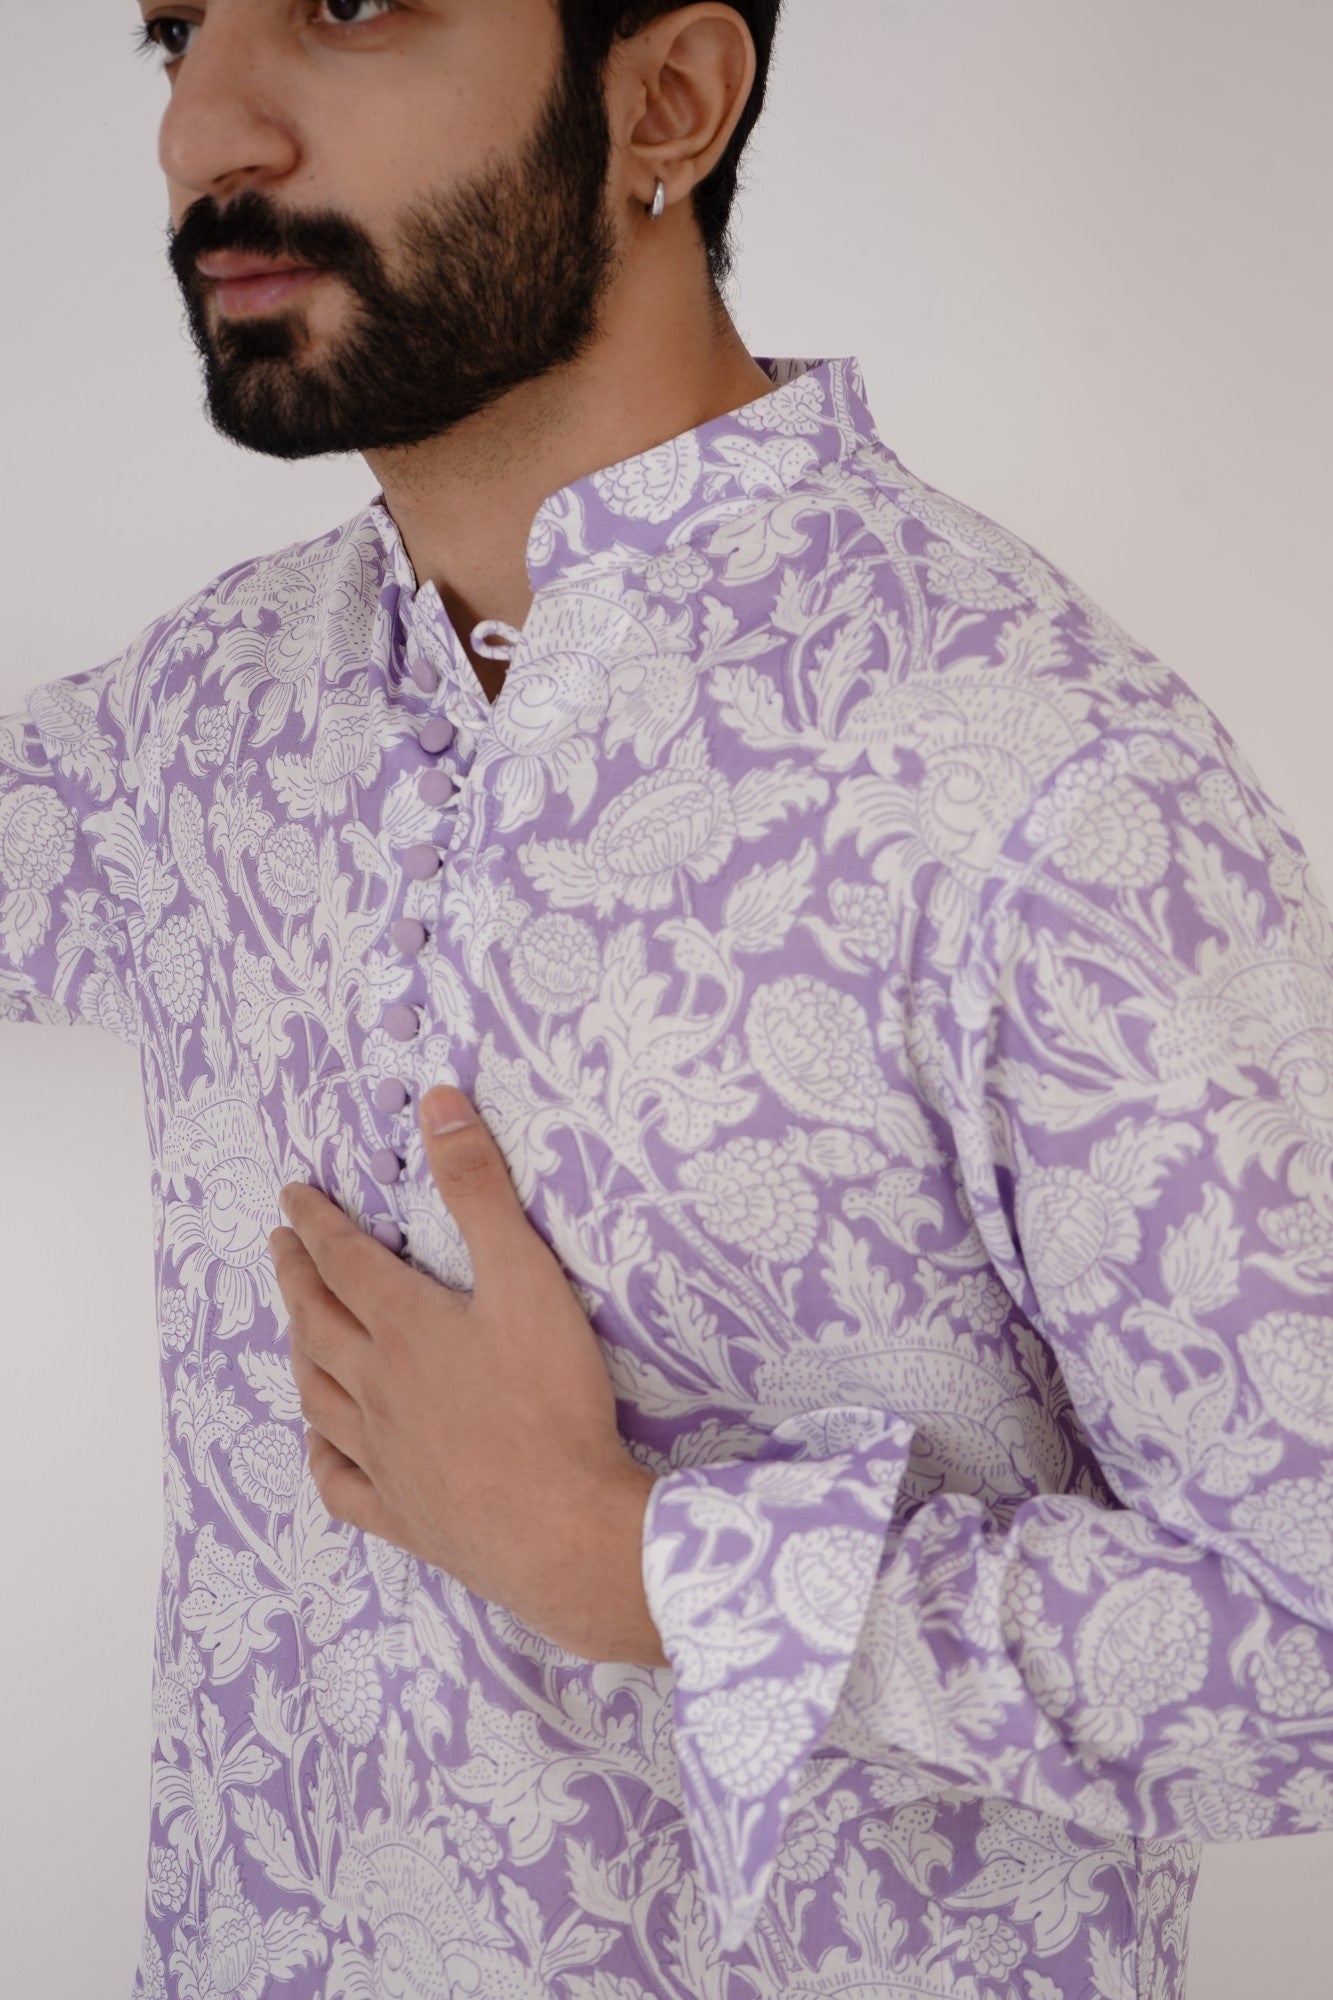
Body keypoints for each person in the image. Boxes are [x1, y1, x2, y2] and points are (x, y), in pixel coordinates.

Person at [3, 2, 1332, 1994]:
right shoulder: (207, 714)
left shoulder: (1037, 779)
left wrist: (640, 1563)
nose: (203, 128)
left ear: (664, 100)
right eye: (176, 30)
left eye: (348, 3)